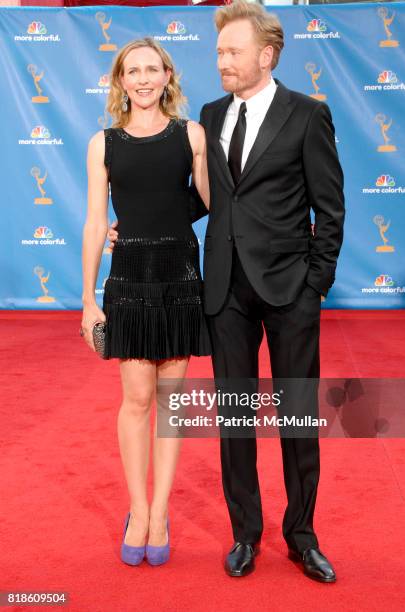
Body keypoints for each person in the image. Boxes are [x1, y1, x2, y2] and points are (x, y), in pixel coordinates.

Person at [109, 0, 345, 582]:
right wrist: (140, 221)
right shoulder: (210, 117)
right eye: (218, 52)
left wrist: (314, 284)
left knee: (296, 418)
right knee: (236, 423)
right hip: (224, 293)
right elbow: (205, 198)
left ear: (266, 55)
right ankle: (246, 535)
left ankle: (302, 535)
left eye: (232, 51)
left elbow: (331, 209)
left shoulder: (307, 114)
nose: (221, 61)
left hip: (291, 290)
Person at [81, 37, 211, 567]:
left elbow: (210, 199)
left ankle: (161, 511)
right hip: (128, 280)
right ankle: (137, 509)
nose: (142, 78)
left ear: (167, 75)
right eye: (131, 70)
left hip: (180, 277)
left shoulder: (192, 135)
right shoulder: (103, 143)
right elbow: (94, 220)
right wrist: (87, 299)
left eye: (151, 69)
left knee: (169, 401)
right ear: (120, 80)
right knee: (136, 398)